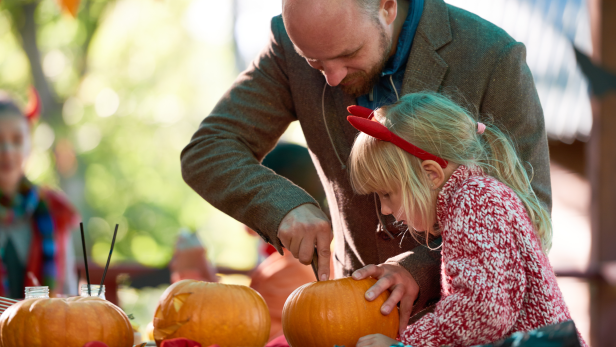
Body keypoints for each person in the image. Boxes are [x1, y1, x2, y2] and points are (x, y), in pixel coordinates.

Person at [181, 0, 551, 329]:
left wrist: (417, 270)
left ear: (387, 7)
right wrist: (283, 205)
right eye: (315, 63)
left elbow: (526, 213)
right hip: (345, 319)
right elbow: (209, 149)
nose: (332, 78)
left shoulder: (491, 54)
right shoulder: (290, 44)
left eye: (348, 54)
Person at [346, 93, 585, 347]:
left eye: (387, 193)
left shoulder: (473, 201)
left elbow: (483, 311)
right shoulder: (474, 197)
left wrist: (408, 343)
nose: (384, 209)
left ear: (431, 174)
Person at [0, 90, 79, 298]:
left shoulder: (55, 210)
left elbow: (69, 291)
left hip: (43, 327)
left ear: (29, 146)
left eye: (17, 140)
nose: (7, 150)